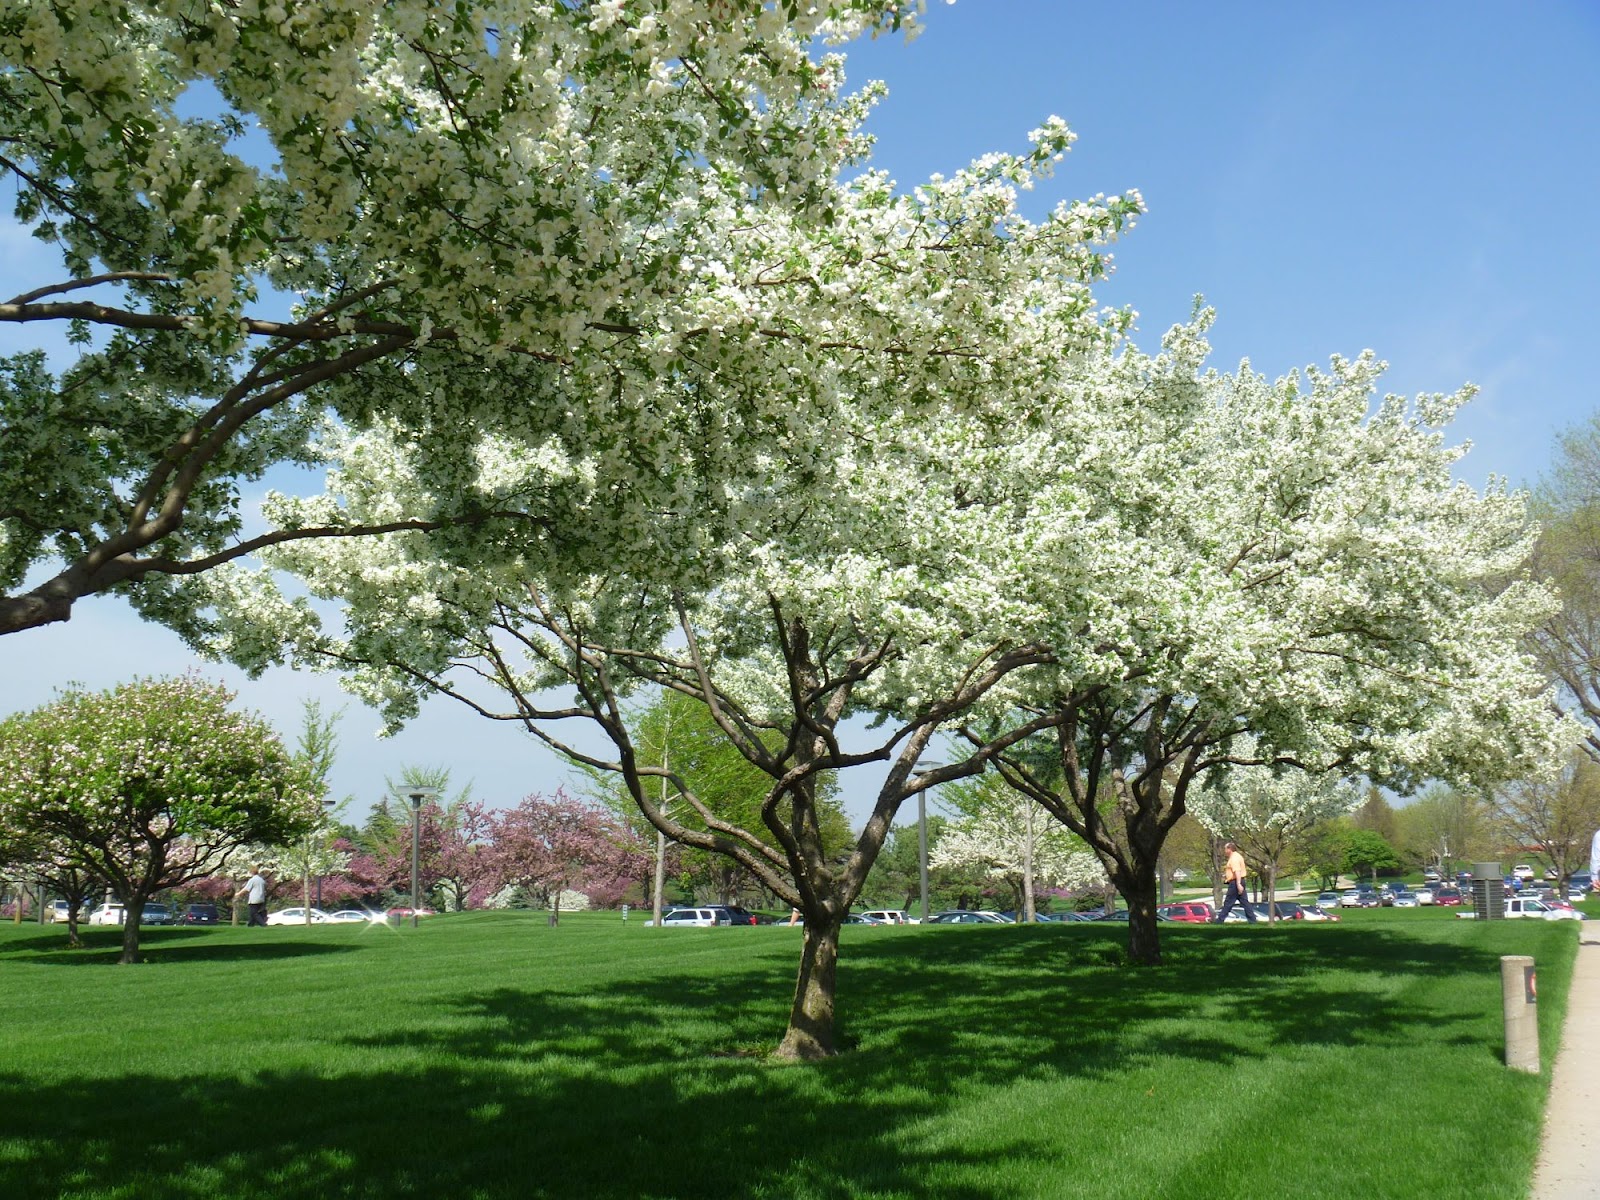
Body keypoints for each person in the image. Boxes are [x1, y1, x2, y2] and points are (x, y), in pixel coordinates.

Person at [1212, 841, 1257, 923]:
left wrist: (1238, 884)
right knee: (1244, 902)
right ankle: (1252, 920)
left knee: (1228, 902)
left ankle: (1219, 920)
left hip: (1236, 882)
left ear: (1229, 849)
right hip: (1237, 881)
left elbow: (1237, 871)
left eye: (1225, 849)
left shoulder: (1234, 858)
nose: (1224, 851)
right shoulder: (1237, 856)